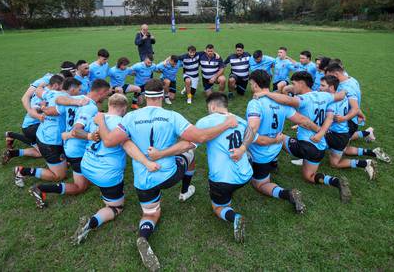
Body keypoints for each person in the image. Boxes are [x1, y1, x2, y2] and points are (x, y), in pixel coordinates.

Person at [94, 79, 238, 271]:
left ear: (145, 97)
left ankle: (143, 236)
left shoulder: (129, 117)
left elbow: (110, 141)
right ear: (162, 95)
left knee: (150, 213)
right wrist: (227, 123)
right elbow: (201, 137)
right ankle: (185, 191)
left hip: (143, 179)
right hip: (168, 175)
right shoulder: (172, 116)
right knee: (189, 153)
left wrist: (101, 121)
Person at [149, 93, 252, 243]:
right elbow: (252, 133)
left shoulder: (206, 121)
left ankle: (234, 217)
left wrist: (161, 153)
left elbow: (187, 145)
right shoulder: (239, 120)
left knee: (218, 207)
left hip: (222, 180)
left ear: (212, 106)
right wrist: (243, 149)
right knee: (230, 187)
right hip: (246, 175)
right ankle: (229, 195)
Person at [71, 93, 157, 244]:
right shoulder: (123, 124)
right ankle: (91, 222)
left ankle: (103, 194)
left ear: (110, 105)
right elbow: (130, 146)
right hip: (106, 174)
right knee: (116, 207)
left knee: (102, 183)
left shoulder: (96, 118)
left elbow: (77, 132)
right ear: (124, 108)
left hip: (87, 166)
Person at [232, 70, 320, 213]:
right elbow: (303, 121)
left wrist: (242, 147)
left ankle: (288, 194)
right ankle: (273, 163)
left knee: (259, 184)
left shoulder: (255, 103)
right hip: (277, 147)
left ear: (254, 84)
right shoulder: (280, 100)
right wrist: (320, 130)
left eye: (251, 83)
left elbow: (253, 128)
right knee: (275, 138)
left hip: (262, 153)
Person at [256, 71, 352, 203]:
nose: (292, 86)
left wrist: (267, 93)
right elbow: (341, 95)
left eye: (294, 83)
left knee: (277, 137)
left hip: (306, 145)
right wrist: (345, 91)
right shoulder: (325, 95)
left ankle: (272, 164)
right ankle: (335, 181)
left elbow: (288, 100)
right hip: (320, 146)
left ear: (301, 83)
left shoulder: (304, 99)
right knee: (309, 176)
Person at [28, 79, 111, 208]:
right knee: (80, 187)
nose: (107, 97)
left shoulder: (75, 98)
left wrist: (43, 107)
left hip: (67, 145)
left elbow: (56, 104)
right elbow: (76, 130)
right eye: (107, 94)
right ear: (102, 92)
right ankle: (42, 188)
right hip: (77, 150)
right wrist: (90, 136)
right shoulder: (90, 107)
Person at [325, 64, 390, 163]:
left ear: (336, 74)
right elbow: (356, 102)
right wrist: (361, 113)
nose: (329, 79)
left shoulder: (346, 87)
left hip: (348, 123)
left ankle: (368, 160)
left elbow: (354, 108)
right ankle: (370, 139)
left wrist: (344, 118)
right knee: (345, 144)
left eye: (330, 76)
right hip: (353, 121)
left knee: (337, 158)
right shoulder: (351, 79)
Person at [13, 75, 70, 188]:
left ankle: (59, 161)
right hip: (50, 142)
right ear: (57, 85)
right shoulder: (64, 98)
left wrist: (41, 85)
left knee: (62, 160)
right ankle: (22, 171)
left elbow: (38, 92)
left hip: (43, 135)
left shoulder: (48, 93)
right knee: (59, 176)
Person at [320, 75, 377, 180]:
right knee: (335, 163)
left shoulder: (331, 103)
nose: (319, 88)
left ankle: (306, 159)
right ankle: (366, 162)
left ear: (332, 87)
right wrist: (360, 114)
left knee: (313, 140)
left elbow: (327, 120)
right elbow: (355, 107)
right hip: (343, 134)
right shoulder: (343, 96)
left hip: (335, 135)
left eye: (322, 85)